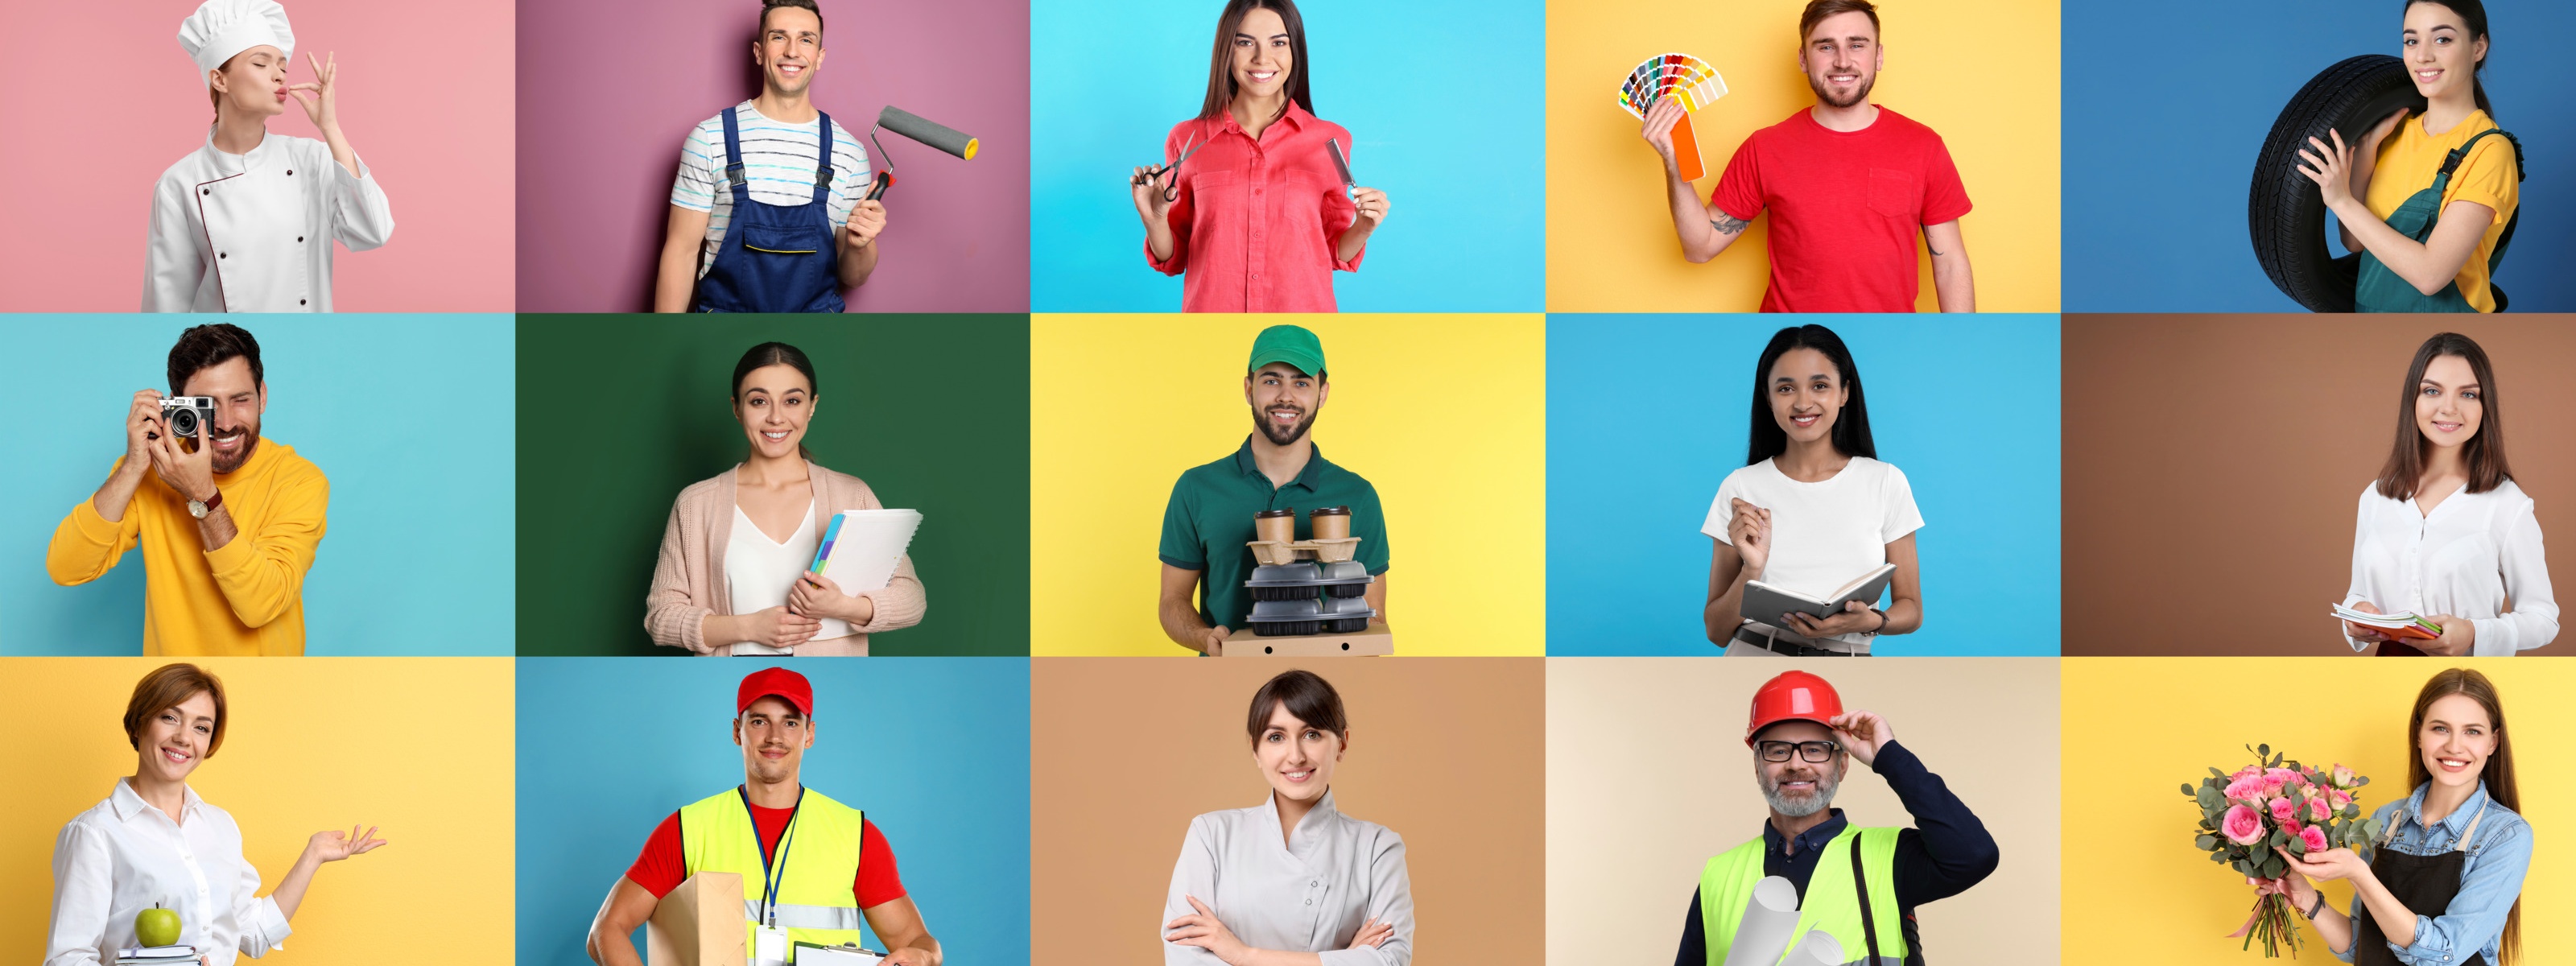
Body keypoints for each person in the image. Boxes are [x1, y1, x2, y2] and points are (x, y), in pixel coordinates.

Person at [585, 667, 942, 966]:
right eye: (759, 721)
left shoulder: (856, 834)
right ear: (737, 732)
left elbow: (921, 943)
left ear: (810, 734)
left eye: (790, 723)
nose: (774, 736)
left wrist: (922, 958)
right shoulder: (687, 828)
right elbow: (607, 929)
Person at [1641, 0, 1972, 313]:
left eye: (1857, 44)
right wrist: (1674, 162)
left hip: (1888, 346)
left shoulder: (1923, 146)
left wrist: (1962, 350)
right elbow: (1700, 247)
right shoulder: (1765, 148)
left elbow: (1950, 264)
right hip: (1791, 350)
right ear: (1803, 59)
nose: (1843, 60)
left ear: (1879, 56)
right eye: (1826, 46)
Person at [45, 664, 386, 966]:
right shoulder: (94, 833)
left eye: (201, 727)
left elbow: (253, 934)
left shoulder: (220, 827)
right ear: (138, 724)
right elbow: (67, 957)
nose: (183, 737)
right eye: (169, 717)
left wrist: (312, 857)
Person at [1678, 671, 1996, 966]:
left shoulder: (1890, 857)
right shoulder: (1717, 875)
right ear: (1757, 766)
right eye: (1777, 750)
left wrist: (1889, 756)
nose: (1796, 764)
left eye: (1815, 750)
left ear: (1843, 765)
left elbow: (1975, 854)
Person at [47, 324, 328, 656]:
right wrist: (134, 467)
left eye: (240, 400)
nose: (225, 422)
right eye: (207, 406)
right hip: (173, 687)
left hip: (263, 688)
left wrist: (203, 496)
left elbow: (261, 605)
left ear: (262, 396)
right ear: (177, 405)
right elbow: (66, 568)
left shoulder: (298, 480)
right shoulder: (150, 469)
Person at [646, 342, 925, 655]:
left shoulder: (852, 494)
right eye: (759, 401)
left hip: (826, 685)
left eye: (792, 400)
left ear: (812, 406)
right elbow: (661, 617)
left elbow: (912, 599)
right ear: (737, 408)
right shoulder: (695, 504)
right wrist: (748, 627)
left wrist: (845, 607)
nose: (776, 418)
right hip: (728, 685)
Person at [2254, 668, 2531, 966]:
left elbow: (2445, 952)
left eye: (2472, 731)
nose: (2454, 746)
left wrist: (2358, 874)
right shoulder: (2385, 820)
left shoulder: (2506, 835)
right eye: (2440, 728)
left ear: (2493, 742)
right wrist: (2304, 896)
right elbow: (2363, 944)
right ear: (2419, 735)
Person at [1131, 0, 1390, 312]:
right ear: (1227, 49)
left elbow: (1335, 252)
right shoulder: (1187, 140)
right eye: (1245, 42)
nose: (1262, 58)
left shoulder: (1330, 140)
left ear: (1295, 50)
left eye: (1278, 42)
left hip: (1298, 328)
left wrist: (1363, 226)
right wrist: (1155, 220)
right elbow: (1174, 259)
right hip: (1213, 327)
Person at [146, 0, 394, 313]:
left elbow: (374, 231)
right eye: (261, 64)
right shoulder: (178, 185)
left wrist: (329, 127)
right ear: (219, 80)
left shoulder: (311, 160)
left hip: (306, 344)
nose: (279, 76)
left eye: (282, 67)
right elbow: (166, 306)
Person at [1158, 325, 1389, 655]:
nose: (1286, 396)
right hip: (1225, 680)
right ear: (1249, 389)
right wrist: (1203, 636)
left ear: (1322, 394)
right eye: (1271, 381)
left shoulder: (1357, 495)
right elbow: (1172, 601)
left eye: (1301, 383)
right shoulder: (1197, 487)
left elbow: (1374, 616)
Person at [1161, 670, 1410, 964]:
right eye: (1276, 737)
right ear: (1256, 749)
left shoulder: (1378, 848)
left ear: (1342, 743)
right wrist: (1344, 959)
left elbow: (1390, 961)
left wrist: (1244, 955)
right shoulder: (1211, 834)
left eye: (1312, 734)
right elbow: (1186, 959)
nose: (1295, 756)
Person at [1702, 325, 1923, 656]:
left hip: (1850, 664)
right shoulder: (1740, 487)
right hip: (1754, 660)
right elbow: (1716, 631)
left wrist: (1869, 621)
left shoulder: (1885, 481)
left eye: (1820, 386)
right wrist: (1752, 570)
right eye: (1786, 388)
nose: (1803, 403)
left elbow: (1912, 609)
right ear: (1768, 397)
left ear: (1844, 392)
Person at [654, 0, 885, 312]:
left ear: (819, 57)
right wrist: (664, 346)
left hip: (814, 339)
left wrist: (861, 243)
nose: (792, 51)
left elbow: (853, 277)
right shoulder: (709, 139)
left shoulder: (849, 153)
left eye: (806, 39)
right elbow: (680, 252)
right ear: (759, 51)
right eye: (779, 37)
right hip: (724, 332)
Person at [2297, 0, 2520, 313]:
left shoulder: (2489, 151)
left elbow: (2431, 275)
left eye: (2442, 39)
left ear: (2478, 47)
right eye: (2412, 40)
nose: (2422, 55)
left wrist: (2341, 201)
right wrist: (2366, 151)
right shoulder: (2392, 133)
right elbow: (2354, 242)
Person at [2339, 333, 2553, 655]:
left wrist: (2473, 633)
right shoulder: (2376, 497)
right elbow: (2357, 593)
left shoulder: (2508, 504)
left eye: (2468, 394)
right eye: (2432, 391)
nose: (2449, 408)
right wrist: (2357, 616)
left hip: (2465, 677)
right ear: (2413, 399)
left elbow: (2543, 619)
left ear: (2485, 406)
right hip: (2386, 674)